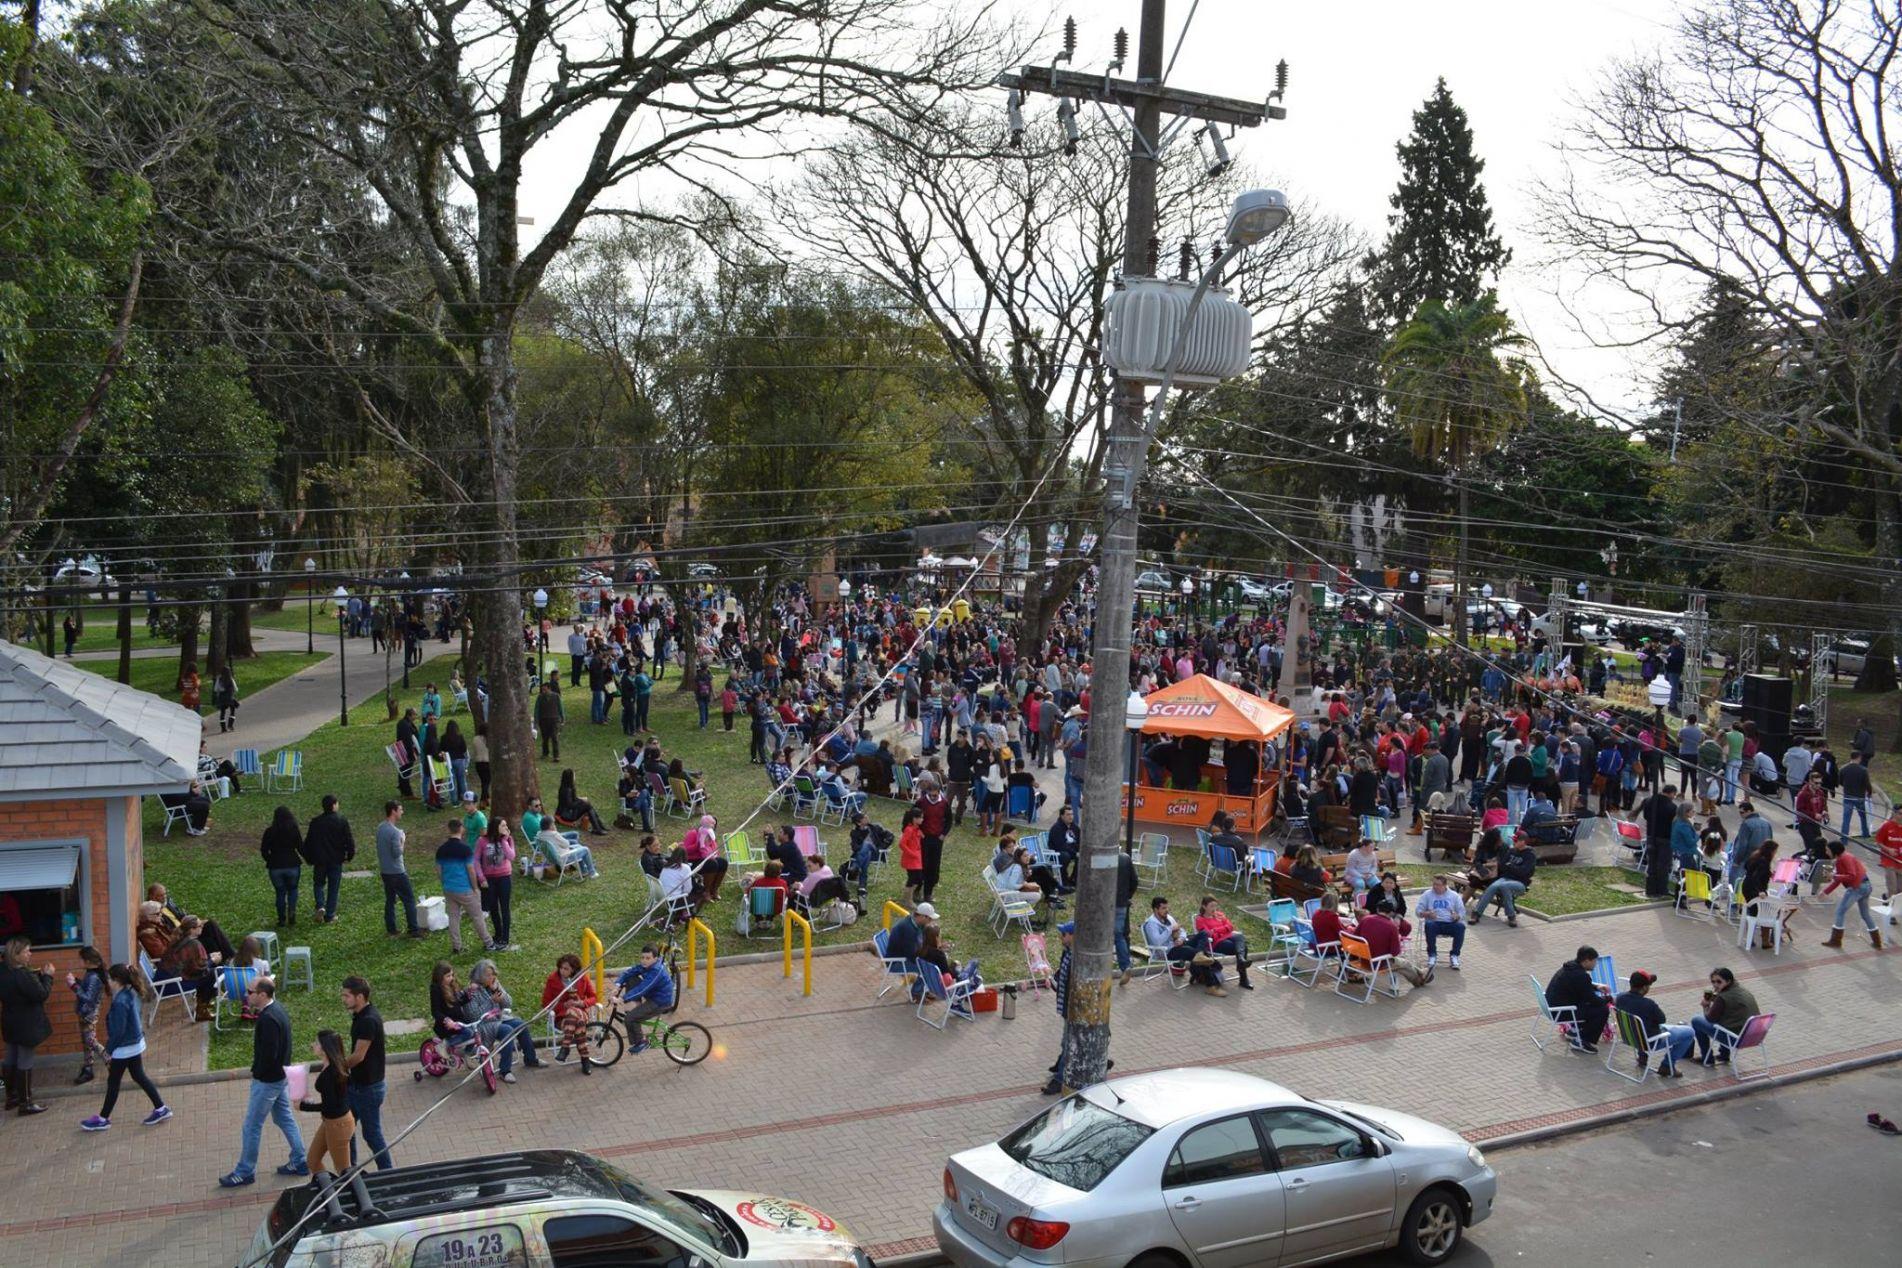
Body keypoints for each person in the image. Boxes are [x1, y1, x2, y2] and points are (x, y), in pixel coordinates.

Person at [219, 977, 307, 1186]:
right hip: (280, 1077)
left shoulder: (268, 1019)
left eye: (250, 992)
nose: (246, 995)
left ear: (263, 995)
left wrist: (257, 1073)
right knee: (284, 1118)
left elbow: (269, 1055)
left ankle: (245, 1171)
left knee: (251, 1126)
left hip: (268, 1082)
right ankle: (300, 1160)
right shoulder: (278, 1010)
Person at [78, 961, 170, 1130]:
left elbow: (118, 1030)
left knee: (113, 1081)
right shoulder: (129, 993)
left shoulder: (120, 1001)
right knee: (138, 1076)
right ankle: (161, 1108)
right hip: (134, 1043)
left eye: (110, 979)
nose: (108, 982)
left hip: (124, 1048)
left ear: (117, 981)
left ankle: (103, 1119)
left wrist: (109, 1049)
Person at [339, 977, 392, 1170]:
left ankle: (388, 1172)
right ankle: (349, 1168)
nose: (343, 999)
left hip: (368, 1089)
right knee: (347, 1128)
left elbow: (359, 1056)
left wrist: (338, 1067)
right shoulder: (362, 1015)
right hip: (359, 1085)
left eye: (346, 995)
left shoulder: (368, 1020)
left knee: (371, 1134)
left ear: (359, 996)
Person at [0, 936, 55, 1115]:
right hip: (26, 1022)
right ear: (16, 955)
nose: (30, 954)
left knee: (11, 1056)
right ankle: (26, 1103)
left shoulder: (3, 971)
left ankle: (12, 1097)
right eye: (26, 951)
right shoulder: (22, 974)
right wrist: (47, 977)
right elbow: (41, 994)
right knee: (25, 1059)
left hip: (10, 1019)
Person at [467, 959, 541, 1082]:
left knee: (521, 1025)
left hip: (499, 1018)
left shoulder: (494, 984)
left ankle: (530, 1058)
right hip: (484, 1024)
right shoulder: (472, 990)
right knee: (507, 1031)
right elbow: (473, 1015)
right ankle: (505, 1070)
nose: (492, 977)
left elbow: (508, 1004)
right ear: (479, 976)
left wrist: (500, 995)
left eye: (493, 974)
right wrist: (491, 1001)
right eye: (488, 975)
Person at [1612, 970, 1693, 1078]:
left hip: (1628, 1037)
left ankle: (1642, 1056)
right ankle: (1667, 1066)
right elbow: (1662, 1019)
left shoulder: (1620, 998)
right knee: (1689, 1032)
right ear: (1645, 987)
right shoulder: (1648, 1004)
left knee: (1639, 1026)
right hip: (1650, 1042)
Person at [298, 1029, 356, 1176]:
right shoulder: (334, 1064)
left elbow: (330, 1105)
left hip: (338, 1125)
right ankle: (327, 1188)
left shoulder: (331, 1072)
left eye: (316, 1042)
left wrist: (304, 1106)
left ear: (325, 1048)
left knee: (344, 1171)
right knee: (312, 1160)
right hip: (331, 1122)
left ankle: (347, 1195)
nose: (313, 1045)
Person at [434, 820, 495, 955]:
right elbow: (471, 870)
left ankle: (457, 946)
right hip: (465, 889)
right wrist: (475, 888)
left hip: (449, 889)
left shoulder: (441, 850)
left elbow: (439, 870)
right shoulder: (465, 849)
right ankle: (488, 942)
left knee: (453, 918)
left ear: (449, 829)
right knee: (477, 916)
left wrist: (444, 883)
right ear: (461, 829)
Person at [1141, 897, 1223, 995]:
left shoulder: (1168, 918)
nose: (1166, 910)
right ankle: (1211, 984)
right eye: (1163, 908)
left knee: (1204, 933)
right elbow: (1157, 942)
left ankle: (1200, 959)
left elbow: (1182, 931)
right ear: (1155, 909)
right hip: (1166, 951)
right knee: (1194, 953)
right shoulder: (1151, 924)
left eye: (1167, 908)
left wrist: (1181, 939)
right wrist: (1170, 929)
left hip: (1178, 944)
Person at [1545, 945, 1613, 1053]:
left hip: (1551, 1007)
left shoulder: (1570, 968)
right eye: (1594, 961)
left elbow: (1581, 987)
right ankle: (1583, 1041)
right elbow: (1592, 999)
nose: (1595, 964)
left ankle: (1574, 1031)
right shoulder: (1580, 975)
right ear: (1586, 961)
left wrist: (1596, 987)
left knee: (1588, 1005)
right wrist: (1609, 1000)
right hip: (1561, 1012)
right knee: (1602, 1010)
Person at [302, 795, 356, 924]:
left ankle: (320, 905)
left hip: (319, 859)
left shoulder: (316, 822)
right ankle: (330, 915)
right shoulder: (341, 820)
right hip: (336, 859)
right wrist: (350, 855)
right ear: (333, 805)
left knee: (319, 883)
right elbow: (348, 839)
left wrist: (309, 858)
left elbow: (308, 842)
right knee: (333, 886)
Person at [612, 945, 676, 1053]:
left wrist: (622, 998)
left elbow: (642, 989)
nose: (644, 961)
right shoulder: (647, 966)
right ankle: (635, 1006)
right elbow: (629, 972)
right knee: (631, 977)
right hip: (652, 995)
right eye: (642, 957)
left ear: (655, 959)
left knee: (630, 1018)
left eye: (647, 958)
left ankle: (642, 1042)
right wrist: (618, 985)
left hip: (660, 1002)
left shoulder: (656, 971)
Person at [1691, 967, 1760, 1065]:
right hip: (1753, 1037)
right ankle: (1724, 1055)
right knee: (1726, 1022)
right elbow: (1732, 1009)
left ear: (1728, 981)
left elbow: (1710, 1019)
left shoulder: (1723, 998)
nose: (1715, 985)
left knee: (1696, 1020)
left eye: (1719, 982)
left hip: (1736, 1039)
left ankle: (1707, 1058)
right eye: (1713, 982)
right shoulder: (1743, 990)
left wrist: (1706, 1006)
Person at [541, 954, 598, 1074]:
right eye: (561, 968)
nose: (562, 971)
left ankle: (565, 1046)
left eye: (566, 969)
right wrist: (564, 1006)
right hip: (562, 1018)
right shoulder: (553, 979)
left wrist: (581, 1003)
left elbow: (593, 997)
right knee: (579, 1023)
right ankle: (585, 1059)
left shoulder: (581, 978)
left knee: (574, 1012)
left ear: (574, 969)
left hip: (581, 1012)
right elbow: (546, 1003)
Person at [1819, 840, 1881, 949]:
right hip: (1866, 886)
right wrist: (1826, 891)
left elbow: (1851, 875)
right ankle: (1877, 941)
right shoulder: (1845, 857)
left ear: (1834, 851)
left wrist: (1834, 875)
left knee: (1840, 912)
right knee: (1865, 914)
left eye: (1827, 850)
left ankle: (1836, 940)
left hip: (1857, 888)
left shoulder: (1844, 858)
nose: (1826, 852)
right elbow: (1839, 879)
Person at [375, 801, 424, 938]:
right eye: (400, 810)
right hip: (397, 872)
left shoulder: (380, 828)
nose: (402, 812)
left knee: (390, 900)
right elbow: (397, 853)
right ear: (393, 811)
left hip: (385, 871)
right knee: (409, 900)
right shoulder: (396, 832)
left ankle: (391, 929)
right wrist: (403, 840)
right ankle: (414, 930)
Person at [1471, 832, 1537, 927]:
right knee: (1492, 887)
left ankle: (1511, 916)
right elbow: (1502, 865)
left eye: (1515, 840)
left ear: (1523, 842)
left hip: (1520, 882)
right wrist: (1511, 868)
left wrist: (1510, 866)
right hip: (1505, 878)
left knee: (1503, 886)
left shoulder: (1530, 855)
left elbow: (1524, 872)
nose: (1513, 842)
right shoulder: (1511, 851)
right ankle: (1476, 913)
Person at [256, 805, 305, 930]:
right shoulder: (293, 829)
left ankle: (281, 918)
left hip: (275, 866)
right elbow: (300, 847)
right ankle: (292, 913)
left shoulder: (269, 831)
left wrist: (270, 860)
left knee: (280, 892)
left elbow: (264, 850)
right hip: (292, 864)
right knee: (293, 890)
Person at [67, 945, 108, 1083]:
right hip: (86, 1013)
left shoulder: (93, 976)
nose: (80, 962)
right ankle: (88, 1068)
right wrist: (79, 982)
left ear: (88, 961)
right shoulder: (92, 974)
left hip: (89, 1014)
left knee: (91, 1041)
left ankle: (111, 1061)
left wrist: (74, 985)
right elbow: (88, 990)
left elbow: (88, 997)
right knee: (86, 1042)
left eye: (81, 959)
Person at [1195, 895, 1253, 989]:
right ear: (1204, 906)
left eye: (1215, 906)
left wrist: (1216, 930)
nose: (1214, 909)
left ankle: (1241, 962)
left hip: (1229, 937)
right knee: (1243, 948)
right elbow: (1209, 934)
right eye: (1211, 906)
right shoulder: (1200, 920)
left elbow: (1230, 927)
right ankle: (1243, 977)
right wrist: (1223, 930)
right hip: (1216, 943)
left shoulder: (1219, 914)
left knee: (1240, 937)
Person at [477, 819, 517, 949]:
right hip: (489, 879)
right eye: (503, 825)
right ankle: (498, 934)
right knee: (493, 908)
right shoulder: (482, 841)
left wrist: (504, 840)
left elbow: (511, 856)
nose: (506, 827)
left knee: (505, 908)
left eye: (506, 824)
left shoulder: (508, 839)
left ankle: (505, 938)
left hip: (504, 877)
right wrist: (481, 878)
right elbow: (475, 860)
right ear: (495, 827)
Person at [1413, 876, 1466, 969]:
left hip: (1450, 923)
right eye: (1434, 884)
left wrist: (1457, 916)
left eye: (1438, 885)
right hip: (1434, 923)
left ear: (1445, 885)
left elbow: (1462, 912)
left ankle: (1454, 955)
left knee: (1461, 927)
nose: (1435, 887)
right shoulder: (1427, 894)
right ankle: (1432, 955)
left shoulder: (1454, 896)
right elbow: (1418, 911)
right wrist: (1427, 913)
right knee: (1429, 925)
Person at [914, 778, 950, 903]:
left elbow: (949, 819)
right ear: (927, 793)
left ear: (939, 792)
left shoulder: (944, 803)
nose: (933, 797)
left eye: (935, 795)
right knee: (921, 865)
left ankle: (928, 893)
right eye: (931, 795)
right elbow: (911, 819)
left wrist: (943, 834)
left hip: (937, 839)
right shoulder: (921, 802)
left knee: (934, 866)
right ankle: (917, 889)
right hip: (923, 839)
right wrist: (919, 832)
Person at [681, 815, 729, 903]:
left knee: (723, 862)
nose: (713, 827)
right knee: (712, 864)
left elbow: (714, 849)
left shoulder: (710, 834)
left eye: (714, 825)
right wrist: (699, 844)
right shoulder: (693, 833)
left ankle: (714, 889)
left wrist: (713, 852)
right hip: (692, 860)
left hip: (706, 858)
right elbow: (685, 850)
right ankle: (706, 891)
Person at [556, 769, 608, 836]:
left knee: (587, 805)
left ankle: (599, 827)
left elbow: (573, 800)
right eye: (573, 775)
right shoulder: (567, 790)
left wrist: (581, 799)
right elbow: (570, 805)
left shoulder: (568, 787)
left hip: (569, 812)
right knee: (587, 805)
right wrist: (581, 802)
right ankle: (598, 828)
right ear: (570, 777)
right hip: (566, 815)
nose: (575, 777)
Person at [1878, 804, 1902, 927]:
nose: (1901, 816)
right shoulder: (1886, 826)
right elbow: (1879, 842)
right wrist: (1888, 850)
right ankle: (1892, 915)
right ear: (1894, 813)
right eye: (1900, 814)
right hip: (1888, 861)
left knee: (1899, 890)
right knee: (1893, 888)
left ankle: (1886, 897)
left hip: (1900, 862)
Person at [898, 808, 926, 908]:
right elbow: (902, 844)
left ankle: (908, 897)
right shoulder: (909, 829)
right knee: (913, 879)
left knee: (918, 879)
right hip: (911, 859)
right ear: (914, 819)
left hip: (916, 859)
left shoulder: (916, 829)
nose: (922, 819)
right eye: (921, 817)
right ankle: (907, 900)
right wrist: (912, 853)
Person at [535, 679, 564, 760]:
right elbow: (537, 709)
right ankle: (545, 753)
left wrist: (562, 718)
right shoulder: (540, 697)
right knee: (545, 738)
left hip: (554, 719)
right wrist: (536, 721)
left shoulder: (556, 696)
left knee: (554, 737)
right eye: (542, 690)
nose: (543, 691)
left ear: (549, 688)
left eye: (545, 689)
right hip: (543, 720)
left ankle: (556, 755)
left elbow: (560, 708)